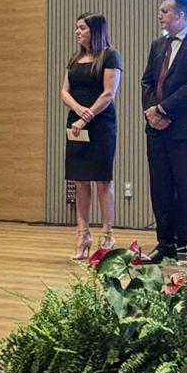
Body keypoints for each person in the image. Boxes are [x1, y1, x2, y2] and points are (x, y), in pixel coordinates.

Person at [141, 0, 187, 264]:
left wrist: (163, 110)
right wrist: (152, 112)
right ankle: (165, 244)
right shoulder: (157, 45)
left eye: (165, 11)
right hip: (156, 130)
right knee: (160, 189)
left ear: (181, 15)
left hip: (186, 130)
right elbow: (147, 82)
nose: (159, 15)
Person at [61, 13, 122, 260]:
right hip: (76, 123)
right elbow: (64, 91)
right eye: (77, 28)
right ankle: (83, 234)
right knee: (79, 180)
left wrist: (86, 117)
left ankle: (107, 234)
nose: (77, 32)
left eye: (82, 28)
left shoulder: (109, 56)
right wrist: (78, 110)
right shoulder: (74, 59)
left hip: (100, 123)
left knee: (102, 179)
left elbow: (108, 93)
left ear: (95, 31)